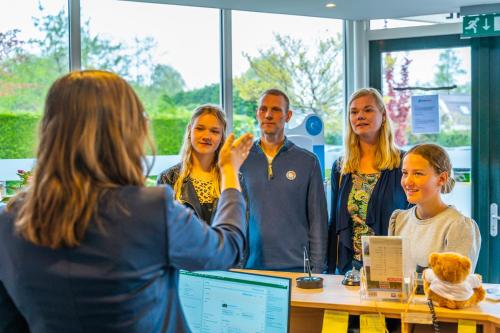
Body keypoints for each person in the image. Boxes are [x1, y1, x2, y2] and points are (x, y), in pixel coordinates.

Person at [0, 70, 253, 333]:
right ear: (126, 132)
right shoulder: (151, 209)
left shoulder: (9, 221)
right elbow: (227, 248)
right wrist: (230, 173)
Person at [240, 88, 328, 273]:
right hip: (252, 268)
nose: (268, 115)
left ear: (288, 116)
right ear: (257, 114)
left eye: (276, 110)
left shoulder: (308, 162)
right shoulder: (242, 161)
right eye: (263, 109)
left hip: (297, 269)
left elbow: (318, 221)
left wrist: (318, 270)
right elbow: (236, 216)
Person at [327, 87, 408, 274]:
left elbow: (414, 219)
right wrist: (329, 268)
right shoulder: (341, 167)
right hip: (349, 268)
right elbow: (334, 224)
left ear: (383, 115)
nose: (360, 116)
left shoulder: (403, 163)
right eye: (354, 112)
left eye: (368, 110)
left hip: (391, 268)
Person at [389, 143, 481, 272]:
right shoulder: (399, 220)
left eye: (418, 174)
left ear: (442, 178)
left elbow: (455, 285)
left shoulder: (458, 226)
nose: (407, 181)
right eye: (405, 173)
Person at [157, 104, 226, 224]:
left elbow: (240, 232)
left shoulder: (233, 179)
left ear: (221, 137)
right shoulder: (167, 179)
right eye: (200, 128)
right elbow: (161, 229)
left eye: (214, 131)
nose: (206, 136)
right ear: (190, 130)